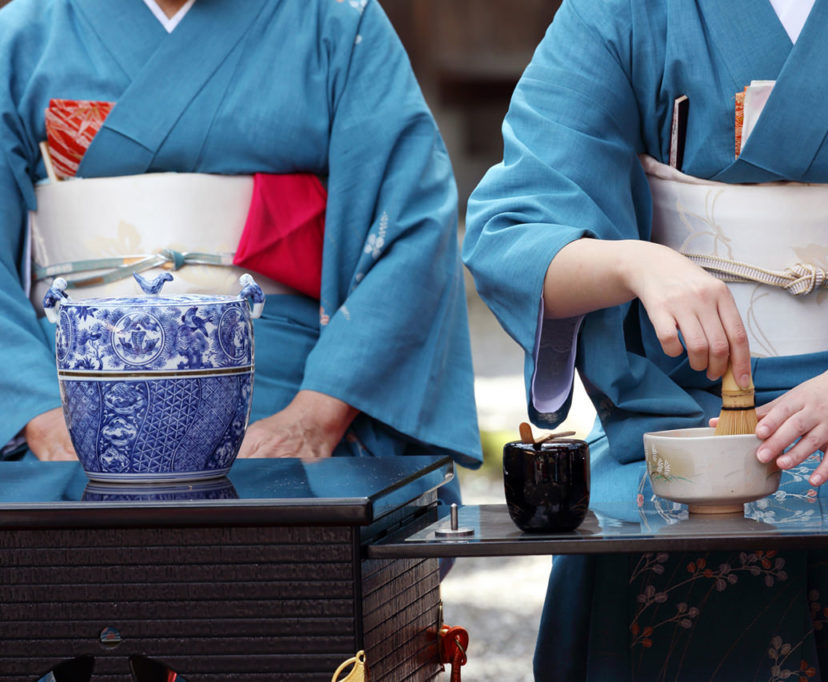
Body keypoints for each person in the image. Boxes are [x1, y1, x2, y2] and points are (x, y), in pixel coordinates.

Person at [464, 0, 828, 678]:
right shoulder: (620, 9)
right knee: (634, 533)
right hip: (678, 399)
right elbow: (515, 228)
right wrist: (636, 263)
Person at [0, 0, 481, 499]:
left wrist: (316, 417)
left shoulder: (336, 22)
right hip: (75, 399)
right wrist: (38, 416)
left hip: (285, 396)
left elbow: (411, 224)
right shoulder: (24, 35)